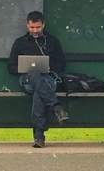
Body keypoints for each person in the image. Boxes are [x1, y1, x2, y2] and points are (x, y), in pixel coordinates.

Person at [8, 11, 69, 148]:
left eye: (38, 27)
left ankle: (39, 137)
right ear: (27, 25)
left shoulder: (52, 41)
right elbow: (10, 67)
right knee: (35, 74)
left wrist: (47, 66)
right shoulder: (20, 43)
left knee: (39, 93)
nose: (35, 31)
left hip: (48, 78)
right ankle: (56, 106)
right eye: (32, 28)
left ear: (43, 25)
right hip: (27, 80)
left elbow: (62, 64)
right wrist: (27, 68)